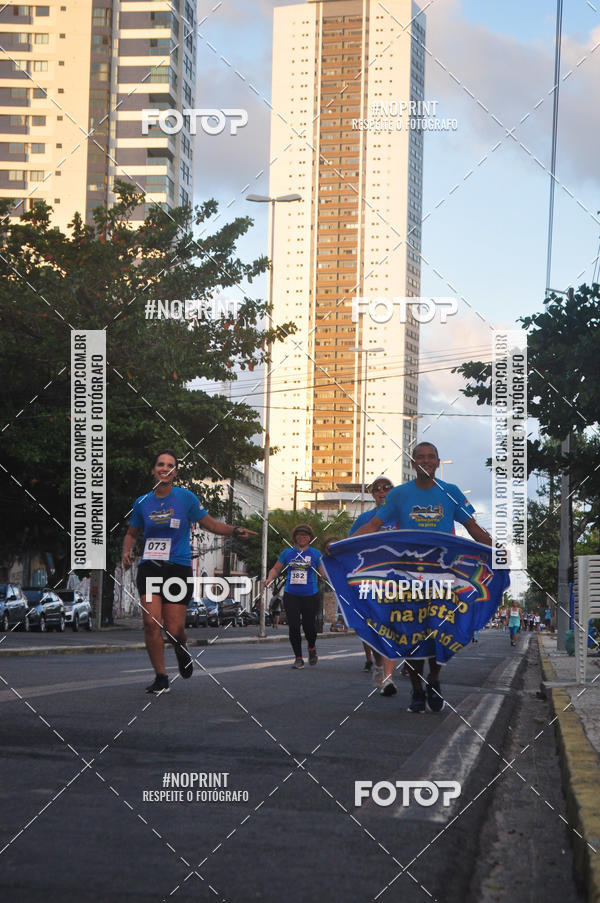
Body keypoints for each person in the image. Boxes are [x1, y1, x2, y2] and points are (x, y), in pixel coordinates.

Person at [353, 441, 493, 713]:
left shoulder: (450, 493)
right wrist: (338, 547)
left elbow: (473, 528)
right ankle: (417, 689)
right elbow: (373, 525)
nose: (426, 461)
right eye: (420, 457)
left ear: (438, 463)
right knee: (414, 635)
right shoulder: (399, 496)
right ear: (413, 463)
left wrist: (496, 549)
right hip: (408, 577)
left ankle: (435, 678)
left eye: (431, 457)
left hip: (442, 575)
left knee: (439, 633)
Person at [122, 449, 254, 694]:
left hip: (177, 569)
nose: (165, 468)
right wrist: (126, 552)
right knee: (151, 624)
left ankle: (180, 647)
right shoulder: (142, 502)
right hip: (150, 567)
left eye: (170, 465)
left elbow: (212, 524)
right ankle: (161, 677)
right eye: (160, 464)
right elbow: (132, 533)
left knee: (174, 629)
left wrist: (234, 530)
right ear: (153, 470)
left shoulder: (186, 499)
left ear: (175, 472)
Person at [349, 476, 405, 694]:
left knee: (394, 627)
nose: (381, 491)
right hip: (371, 580)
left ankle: (388, 678)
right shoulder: (364, 518)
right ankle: (379, 664)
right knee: (374, 627)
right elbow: (350, 544)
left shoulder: (402, 516)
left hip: (400, 580)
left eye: (386, 488)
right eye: (377, 489)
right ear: (372, 494)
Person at [265, 524, 326, 668]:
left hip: (310, 594)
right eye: (299, 535)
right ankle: (298, 658)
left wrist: (328, 577)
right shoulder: (288, 553)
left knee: (309, 626)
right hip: (291, 594)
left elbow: (323, 571)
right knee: (293, 626)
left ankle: (311, 648)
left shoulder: (315, 554)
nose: (302, 537)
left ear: (310, 538)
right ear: (295, 537)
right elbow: (275, 569)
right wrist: (269, 578)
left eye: (305, 535)